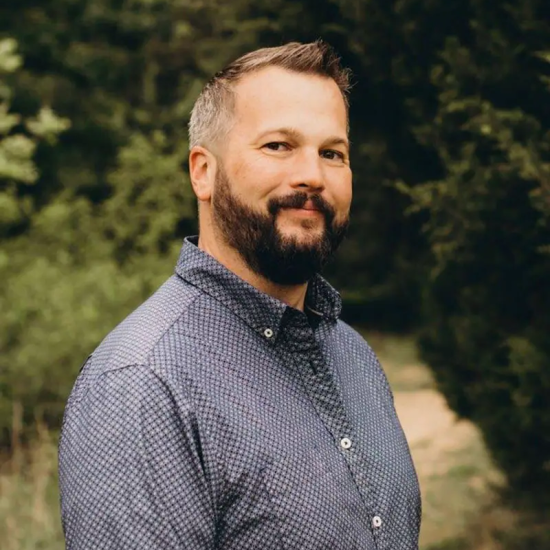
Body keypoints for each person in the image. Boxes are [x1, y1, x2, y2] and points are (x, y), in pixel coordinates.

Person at [59, 40, 421, 549]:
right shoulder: (142, 383)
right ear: (203, 172)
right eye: (278, 146)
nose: (311, 176)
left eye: (332, 153)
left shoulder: (352, 354)